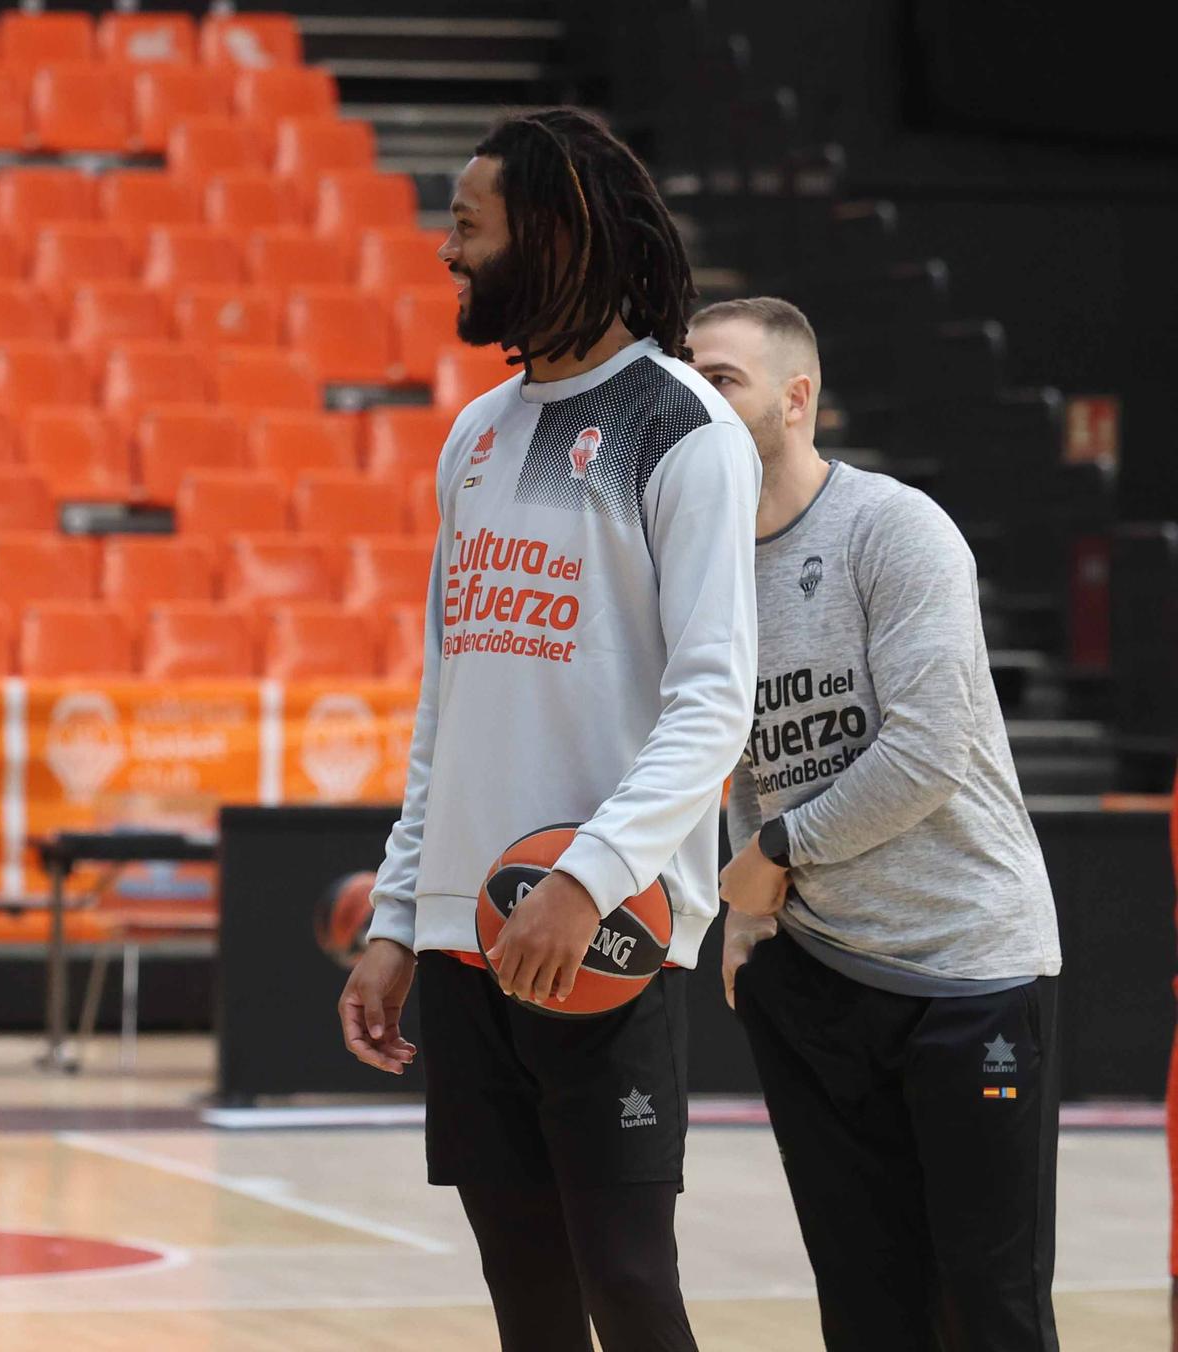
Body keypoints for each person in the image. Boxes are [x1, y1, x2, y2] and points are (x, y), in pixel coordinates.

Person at [336, 108, 760, 1352]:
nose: (446, 253)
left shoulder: (678, 426)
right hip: (468, 933)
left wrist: (584, 877)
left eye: (467, 227)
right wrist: (398, 918)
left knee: (626, 1283)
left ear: (554, 232)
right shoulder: (474, 435)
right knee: (523, 1296)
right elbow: (447, 704)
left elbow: (710, 698)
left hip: (603, 927)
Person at [695, 296, 1063, 1351]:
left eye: (717, 379)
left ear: (795, 399)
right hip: (815, 973)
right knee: (863, 1311)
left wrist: (772, 852)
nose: (692, 401)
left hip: (967, 967)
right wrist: (744, 904)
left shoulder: (891, 528)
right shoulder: (703, 564)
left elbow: (926, 752)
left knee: (987, 1309)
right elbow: (738, 749)